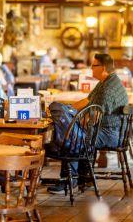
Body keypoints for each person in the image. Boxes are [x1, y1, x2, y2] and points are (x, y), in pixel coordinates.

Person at [47, 53, 128, 194]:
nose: (91, 69)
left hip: (110, 134)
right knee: (73, 131)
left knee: (72, 137)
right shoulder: (106, 81)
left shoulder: (108, 89)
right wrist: (68, 109)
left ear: (103, 68)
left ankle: (69, 181)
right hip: (107, 130)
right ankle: (83, 177)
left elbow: (92, 118)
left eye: (93, 66)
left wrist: (71, 122)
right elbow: (87, 101)